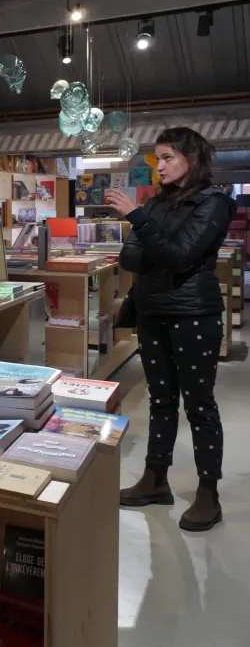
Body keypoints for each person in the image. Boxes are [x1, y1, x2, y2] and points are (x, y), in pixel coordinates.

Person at [109, 127, 235, 532]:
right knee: (161, 402)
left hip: (192, 314)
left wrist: (140, 222)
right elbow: (131, 258)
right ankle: (155, 479)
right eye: (156, 158)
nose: (158, 166)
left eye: (167, 158)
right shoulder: (156, 204)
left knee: (199, 406)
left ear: (191, 160)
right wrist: (148, 231)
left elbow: (180, 257)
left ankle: (208, 493)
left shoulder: (214, 203)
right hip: (151, 311)